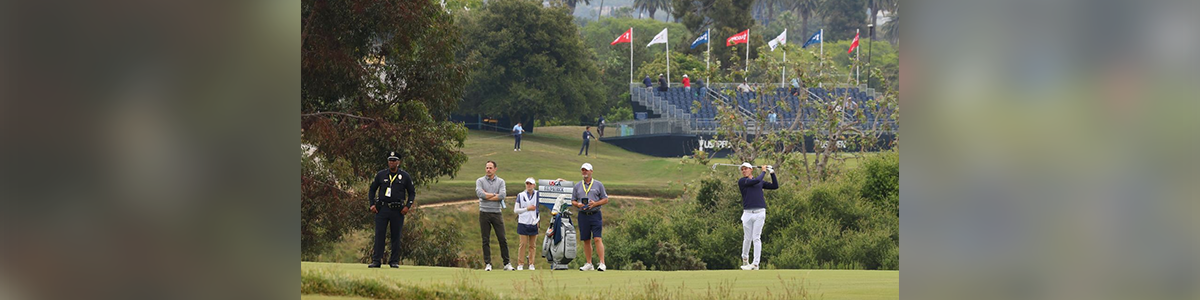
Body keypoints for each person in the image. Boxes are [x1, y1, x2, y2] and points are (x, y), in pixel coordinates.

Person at [556, 163, 609, 271]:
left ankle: (602, 263)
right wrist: (578, 204)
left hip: (595, 214)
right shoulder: (578, 186)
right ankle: (589, 263)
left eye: (586, 170)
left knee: (597, 238)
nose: (584, 172)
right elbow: (573, 200)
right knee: (586, 240)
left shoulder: (598, 184)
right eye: (583, 170)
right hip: (583, 215)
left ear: (591, 171)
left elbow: (605, 199)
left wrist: (595, 203)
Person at [367, 151, 416, 268]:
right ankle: (376, 260)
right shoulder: (381, 175)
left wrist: (407, 206)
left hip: (397, 210)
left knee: (396, 236)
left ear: (398, 162)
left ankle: (394, 261)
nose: (392, 162)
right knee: (379, 235)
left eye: (394, 160)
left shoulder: (404, 176)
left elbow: (412, 193)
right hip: (382, 209)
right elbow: (372, 190)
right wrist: (372, 204)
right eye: (390, 160)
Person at [736, 163, 778, 270]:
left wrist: (772, 172)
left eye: (746, 169)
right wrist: (763, 171)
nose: (744, 171)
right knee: (747, 238)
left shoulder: (759, 182)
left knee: (756, 238)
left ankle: (755, 264)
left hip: (760, 212)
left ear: (751, 170)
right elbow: (755, 181)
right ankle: (745, 259)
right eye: (742, 169)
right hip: (747, 214)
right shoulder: (743, 181)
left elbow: (775, 186)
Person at [475, 161, 513, 271]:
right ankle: (488, 263)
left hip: (496, 213)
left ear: (495, 169)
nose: (488, 170)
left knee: (502, 238)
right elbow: (480, 194)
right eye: (487, 167)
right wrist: (494, 195)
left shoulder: (501, 181)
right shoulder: (480, 181)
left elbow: (502, 195)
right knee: (485, 239)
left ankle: (507, 263)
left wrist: (487, 195)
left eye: (490, 168)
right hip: (484, 212)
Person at [514, 177, 541, 270]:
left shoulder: (538, 194)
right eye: (527, 184)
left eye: (530, 184)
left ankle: (531, 263)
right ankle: (520, 263)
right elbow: (516, 210)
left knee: (532, 245)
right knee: (523, 244)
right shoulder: (520, 195)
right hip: (523, 222)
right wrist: (527, 209)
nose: (529, 186)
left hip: (534, 222)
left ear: (534, 185)